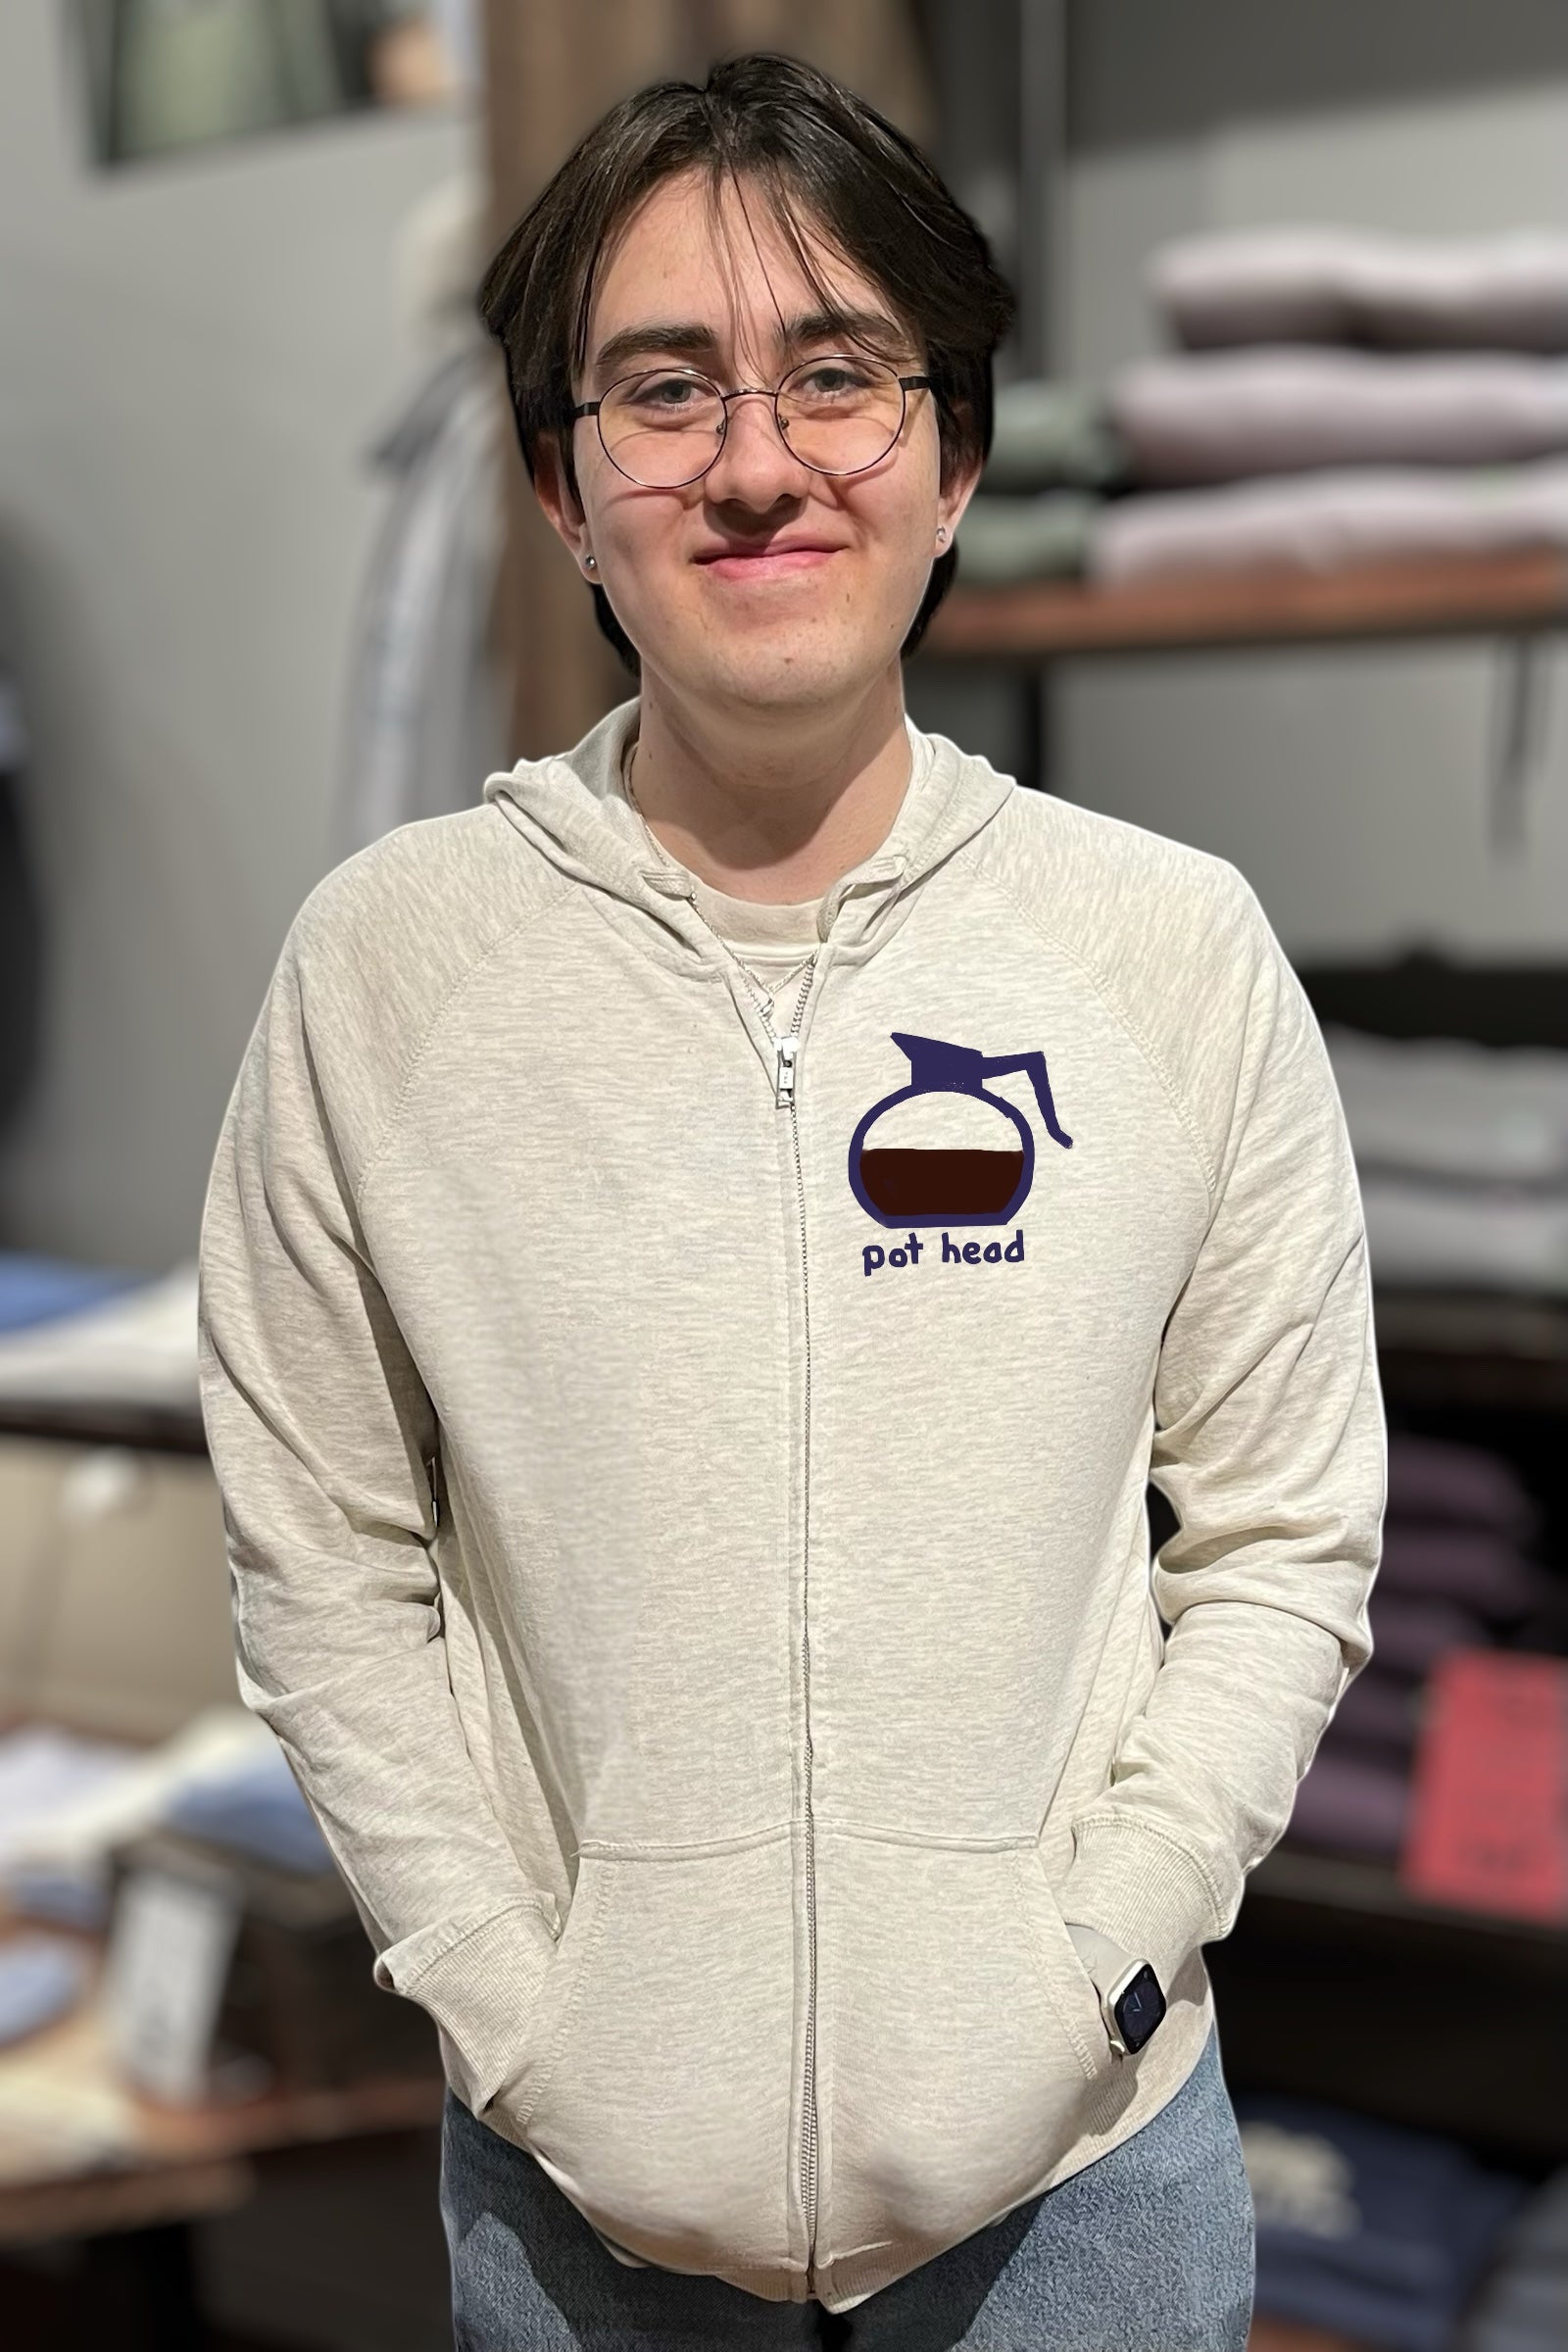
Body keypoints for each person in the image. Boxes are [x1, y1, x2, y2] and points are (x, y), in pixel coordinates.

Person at [195, 51, 1385, 2352]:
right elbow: (320, 1566)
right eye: (664, 391)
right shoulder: (387, 970)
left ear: (951, 457)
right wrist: (518, 2012)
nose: (754, 462)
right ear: (562, 484)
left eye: (836, 376)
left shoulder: (1164, 950)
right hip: (572, 2213)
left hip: (1083, 2198)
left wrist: (1095, 1958)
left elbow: (1281, 1531)